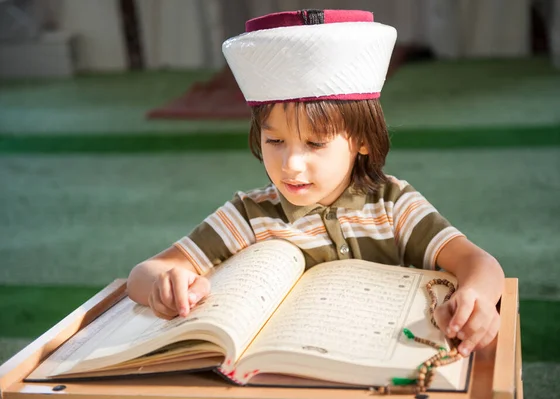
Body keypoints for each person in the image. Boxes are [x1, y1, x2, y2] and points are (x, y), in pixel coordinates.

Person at [127, 9, 505, 358]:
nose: (290, 164)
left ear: (363, 141)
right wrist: (164, 285)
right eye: (274, 141)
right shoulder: (248, 216)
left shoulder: (393, 204)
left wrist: (476, 296)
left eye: (315, 143)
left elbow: (477, 263)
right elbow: (145, 273)